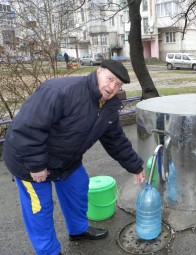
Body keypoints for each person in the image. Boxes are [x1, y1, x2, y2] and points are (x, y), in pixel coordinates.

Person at [3, 59, 146, 255]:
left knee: (79, 187)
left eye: (118, 84)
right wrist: (36, 165)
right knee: (40, 208)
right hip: (28, 160)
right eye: (110, 79)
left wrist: (136, 166)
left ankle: (78, 230)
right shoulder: (61, 91)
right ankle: (48, 251)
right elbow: (27, 128)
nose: (112, 87)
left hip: (66, 160)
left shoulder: (109, 106)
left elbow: (116, 140)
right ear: (99, 71)